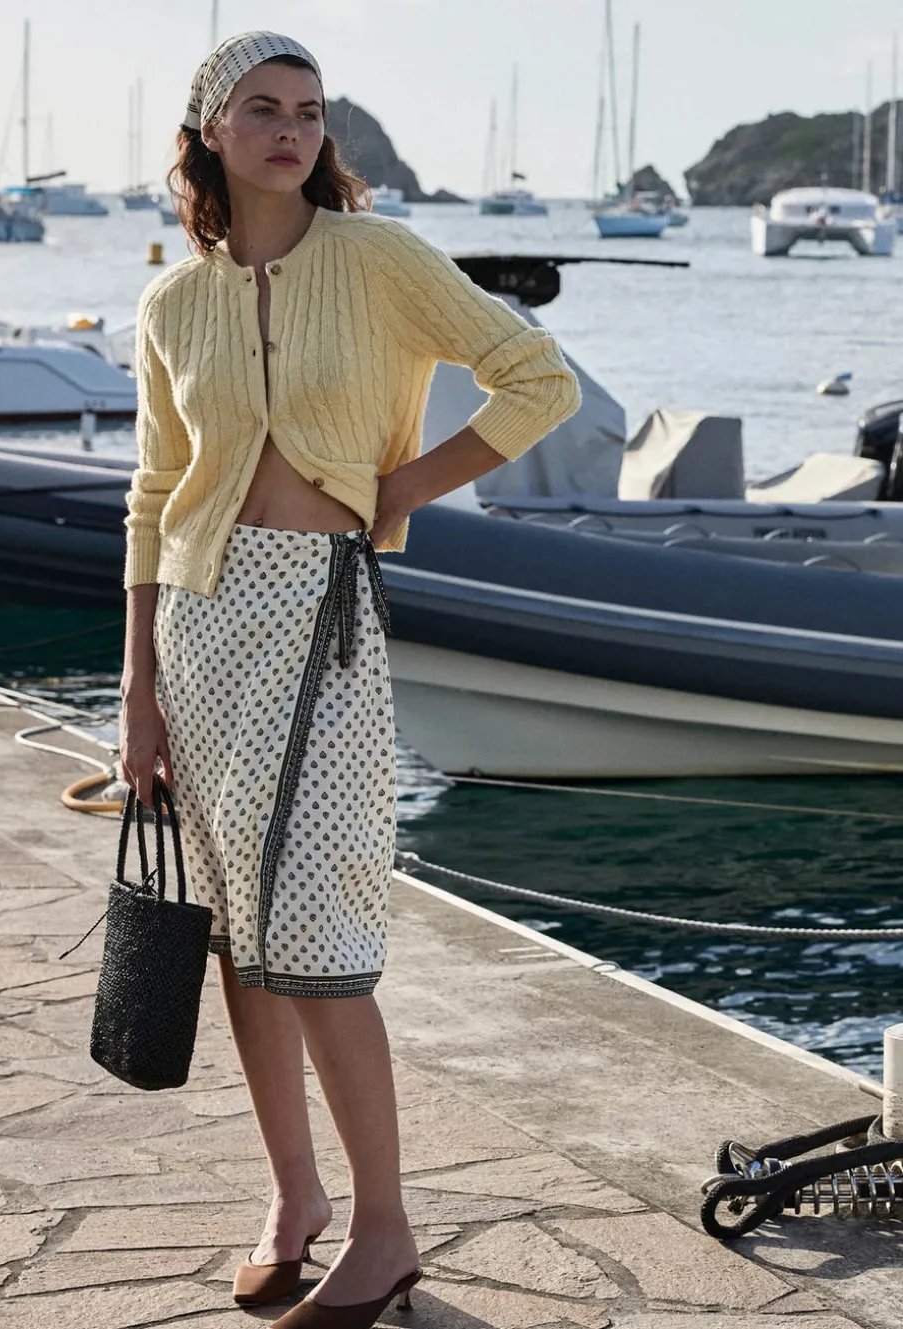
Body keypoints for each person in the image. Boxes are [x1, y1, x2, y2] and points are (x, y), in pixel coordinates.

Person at [119, 31, 580, 1329]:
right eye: (263, 109)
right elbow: (153, 496)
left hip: (320, 617)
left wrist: (398, 492)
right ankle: (294, 1199)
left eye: (311, 112)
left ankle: (385, 1231)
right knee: (237, 936)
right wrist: (136, 690)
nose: (292, 131)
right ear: (209, 134)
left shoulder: (379, 260)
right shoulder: (172, 303)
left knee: (316, 931)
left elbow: (535, 379)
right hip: (200, 629)